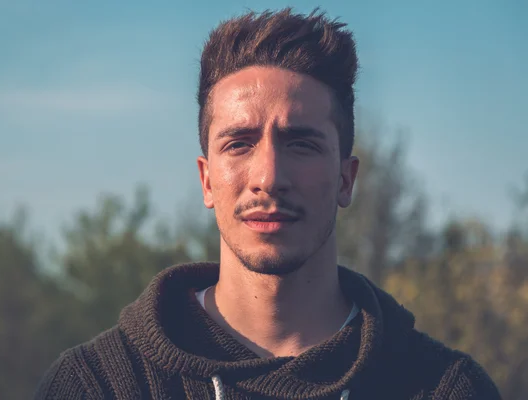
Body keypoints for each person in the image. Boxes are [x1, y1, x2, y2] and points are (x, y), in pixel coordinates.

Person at [35, 8, 501, 399]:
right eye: (239, 144)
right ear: (207, 181)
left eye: (300, 144)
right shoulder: (97, 385)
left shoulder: (443, 388)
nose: (268, 177)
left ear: (346, 178)